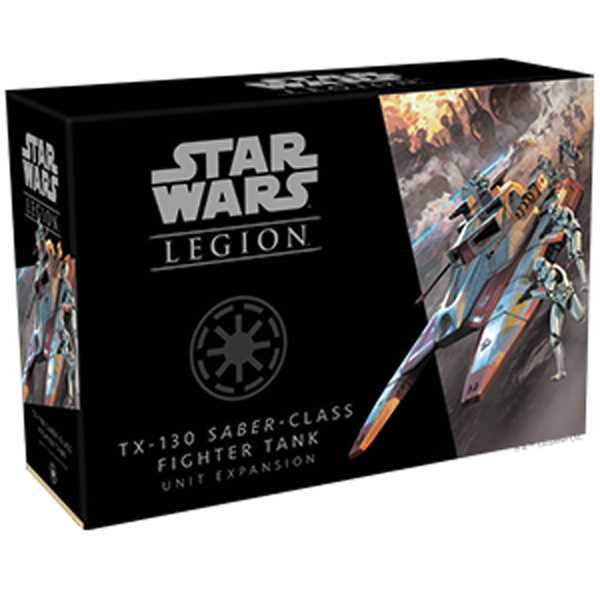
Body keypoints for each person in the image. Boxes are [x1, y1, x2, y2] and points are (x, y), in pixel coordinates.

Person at [519, 256, 584, 381]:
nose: (538, 275)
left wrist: (531, 295)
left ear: (543, 267)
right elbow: (543, 286)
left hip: (568, 298)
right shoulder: (547, 274)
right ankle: (561, 371)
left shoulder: (553, 273)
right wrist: (529, 293)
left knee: (582, 318)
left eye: (538, 272)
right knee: (554, 339)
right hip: (558, 302)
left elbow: (548, 292)